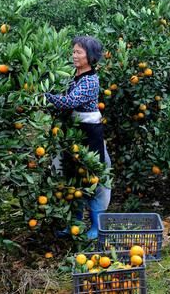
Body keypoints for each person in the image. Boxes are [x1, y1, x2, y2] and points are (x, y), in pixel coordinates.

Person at [45, 36, 111, 239]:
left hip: (89, 134)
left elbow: (68, 102)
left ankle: (95, 227)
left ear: (90, 57)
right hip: (73, 132)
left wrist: (44, 95)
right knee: (72, 178)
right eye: (73, 51)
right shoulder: (72, 75)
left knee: (92, 179)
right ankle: (74, 224)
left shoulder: (91, 81)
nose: (74, 56)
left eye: (78, 52)